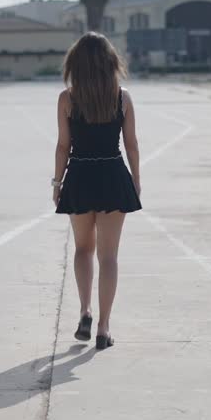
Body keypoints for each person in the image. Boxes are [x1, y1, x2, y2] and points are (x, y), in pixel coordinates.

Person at [52, 32, 142, 350]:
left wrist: (57, 181)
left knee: (82, 250)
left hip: (79, 174)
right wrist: (136, 180)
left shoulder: (67, 98)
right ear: (110, 62)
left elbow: (63, 145)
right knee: (109, 256)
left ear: (75, 63)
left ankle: (84, 312)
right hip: (113, 173)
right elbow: (131, 144)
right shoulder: (122, 96)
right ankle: (103, 328)